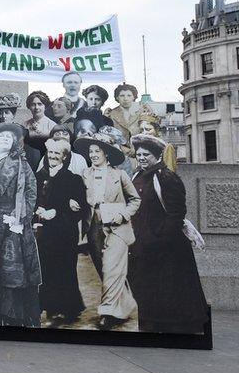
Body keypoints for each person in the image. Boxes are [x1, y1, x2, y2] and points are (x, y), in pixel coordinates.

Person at [129, 135, 209, 334]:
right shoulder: (136, 176)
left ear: (156, 155)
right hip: (142, 242)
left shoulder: (165, 177)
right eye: (138, 154)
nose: (141, 157)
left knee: (170, 288)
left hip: (166, 247)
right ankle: (152, 325)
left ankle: (173, 328)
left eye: (146, 154)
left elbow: (176, 213)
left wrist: (158, 238)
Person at [0, 123, 42, 327]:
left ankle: (11, 316)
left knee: (10, 270)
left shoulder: (21, 165)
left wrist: (20, 217)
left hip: (12, 223)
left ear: (13, 144)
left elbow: (30, 193)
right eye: (0, 136)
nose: (4, 139)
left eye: (9, 138)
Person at [73, 130, 141, 330]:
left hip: (117, 227)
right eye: (91, 151)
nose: (93, 155)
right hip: (93, 226)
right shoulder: (84, 174)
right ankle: (125, 305)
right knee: (107, 270)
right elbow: (78, 196)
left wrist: (123, 215)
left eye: (98, 151)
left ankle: (108, 312)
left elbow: (135, 200)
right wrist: (75, 203)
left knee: (111, 268)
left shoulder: (119, 175)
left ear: (106, 154)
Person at [34, 138, 89, 325]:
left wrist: (57, 211)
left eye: (57, 153)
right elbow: (32, 200)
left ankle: (68, 308)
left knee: (64, 268)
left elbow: (80, 208)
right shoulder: (38, 177)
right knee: (45, 269)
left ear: (64, 157)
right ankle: (50, 307)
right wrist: (37, 213)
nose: (52, 156)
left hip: (64, 233)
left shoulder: (73, 179)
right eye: (50, 153)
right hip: (43, 232)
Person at [105, 84, 152, 148]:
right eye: (122, 96)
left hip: (141, 149)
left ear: (134, 97)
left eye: (129, 95)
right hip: (119, 149)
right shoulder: (111, 113)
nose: (125, 99)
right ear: (117, 97)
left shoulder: (142, 111)